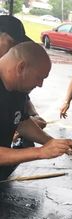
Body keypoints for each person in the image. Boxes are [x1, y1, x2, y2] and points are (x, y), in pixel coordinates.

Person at [0, 42, 72, 180]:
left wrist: (52, 142)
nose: (40, 84)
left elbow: (21, 121)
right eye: (39, 78)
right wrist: (41, 152)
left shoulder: (17, 88)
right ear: (21, 67)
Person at [0, 15, 47, 147]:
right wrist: (41, 152)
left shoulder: (15, 82)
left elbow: (20, 116)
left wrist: (33, 115)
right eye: (12, 43)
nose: (14, 50)